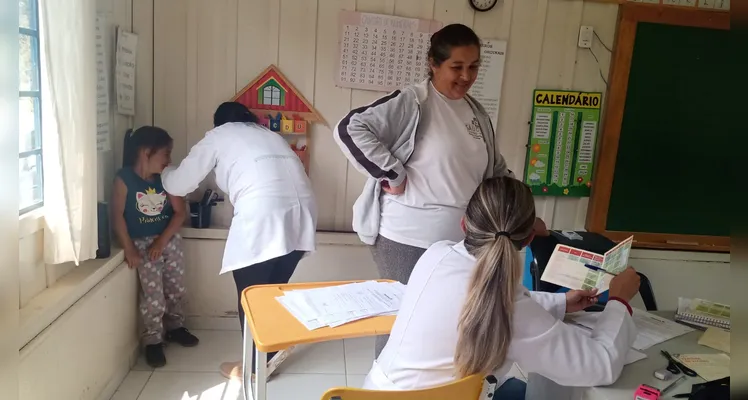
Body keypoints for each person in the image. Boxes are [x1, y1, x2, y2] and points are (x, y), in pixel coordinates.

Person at [334, 23, 549, 357]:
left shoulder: (476, 113)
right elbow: (350, 128)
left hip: (463, 240)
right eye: (457, 67)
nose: (467, 76)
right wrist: (392, 174)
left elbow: (495, 171)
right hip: (406, 237)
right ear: (434, 64)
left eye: (474, 66)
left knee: (448, 320)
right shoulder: (413, 102)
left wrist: (524, 215)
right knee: (404, 320)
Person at [363, 176, 641, 398]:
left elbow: (482, 305)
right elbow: (598, 365)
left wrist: (560, 303)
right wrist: (619, 301)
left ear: (464, 225)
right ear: (530, 238)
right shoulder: (510, 307)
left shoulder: (437, 255)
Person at [159, 101, 318, 380]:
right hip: (303, 212)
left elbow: (179, 184)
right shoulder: (270, 135)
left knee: (251, 297)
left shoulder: (219, 136)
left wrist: (163, 172)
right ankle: (269, 354)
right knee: (271, 292)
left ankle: (256, 368)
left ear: (218, 123)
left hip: (264, 212)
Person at [112, 127, 198, 368]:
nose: (169, 160)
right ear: (146, 152)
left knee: (176, 288)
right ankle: (152, 340)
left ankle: (176, 327)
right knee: (153, 297)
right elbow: (117, 215)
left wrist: (162, 241)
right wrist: (129, 247)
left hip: (167, 239)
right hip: (141, 243)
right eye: (166, 154)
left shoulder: (166, 178)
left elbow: (179, 213)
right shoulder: (124, 179)